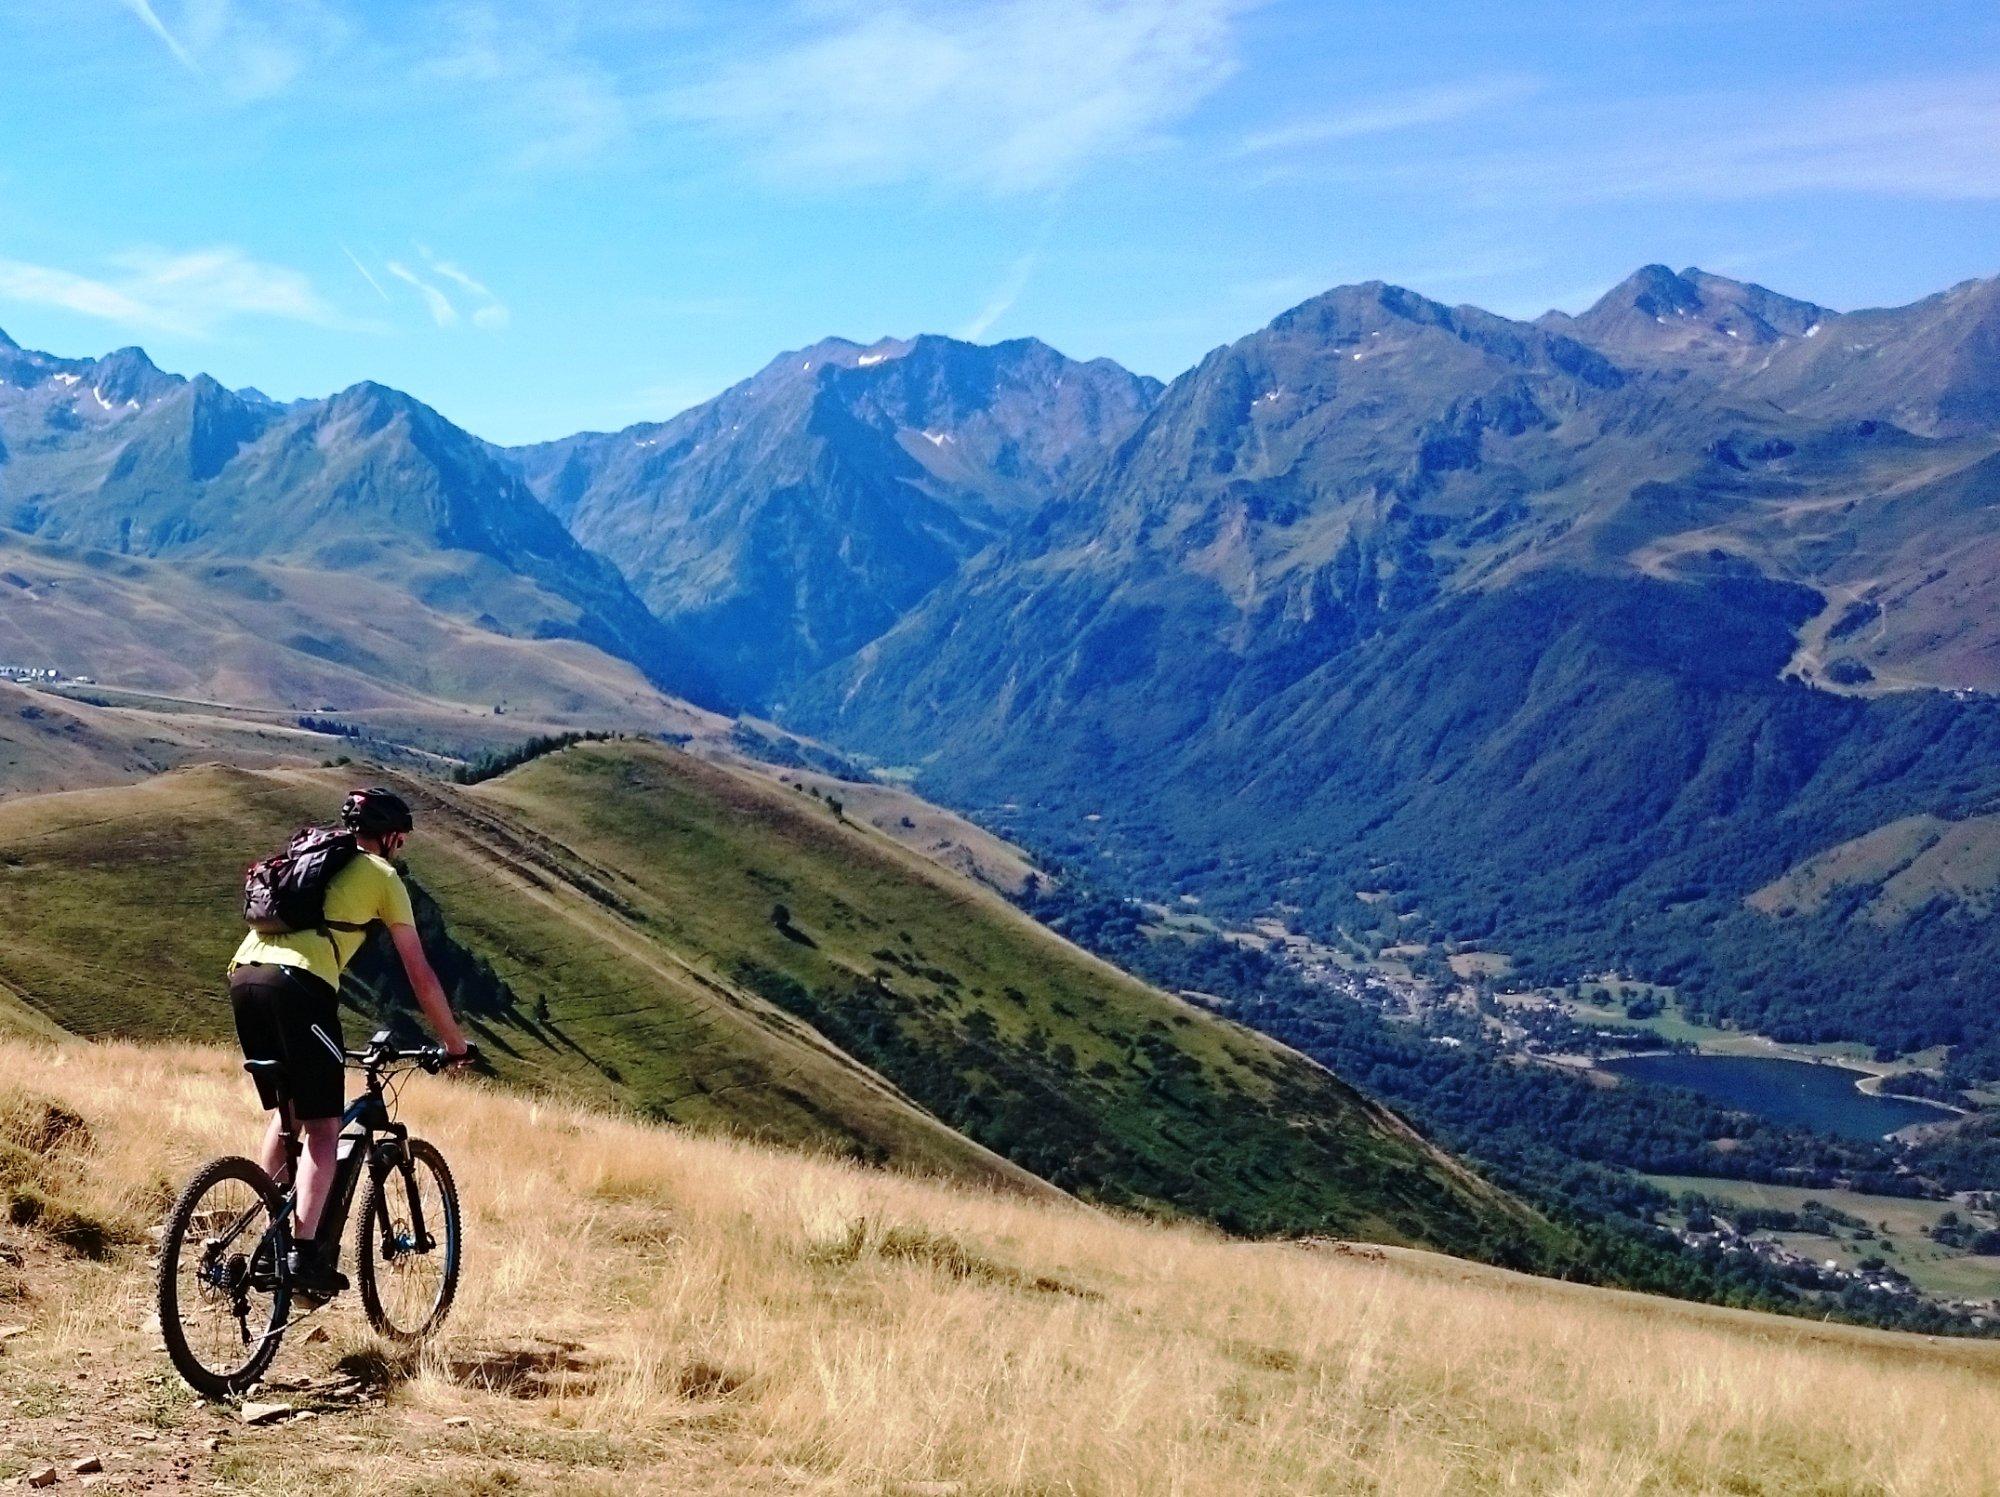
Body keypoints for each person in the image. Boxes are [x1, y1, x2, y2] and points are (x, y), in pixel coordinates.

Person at [228, 786, 472, 1300]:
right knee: (324, 1127)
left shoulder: (311, 859)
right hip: (299, 985)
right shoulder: (384, 877)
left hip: (245, 977)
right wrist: (453, 1044)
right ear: (387, 837)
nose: (398, 850)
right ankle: (301, 1255)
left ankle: (266, 1239)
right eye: (399, 842)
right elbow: (420, 974)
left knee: (287, 1115)